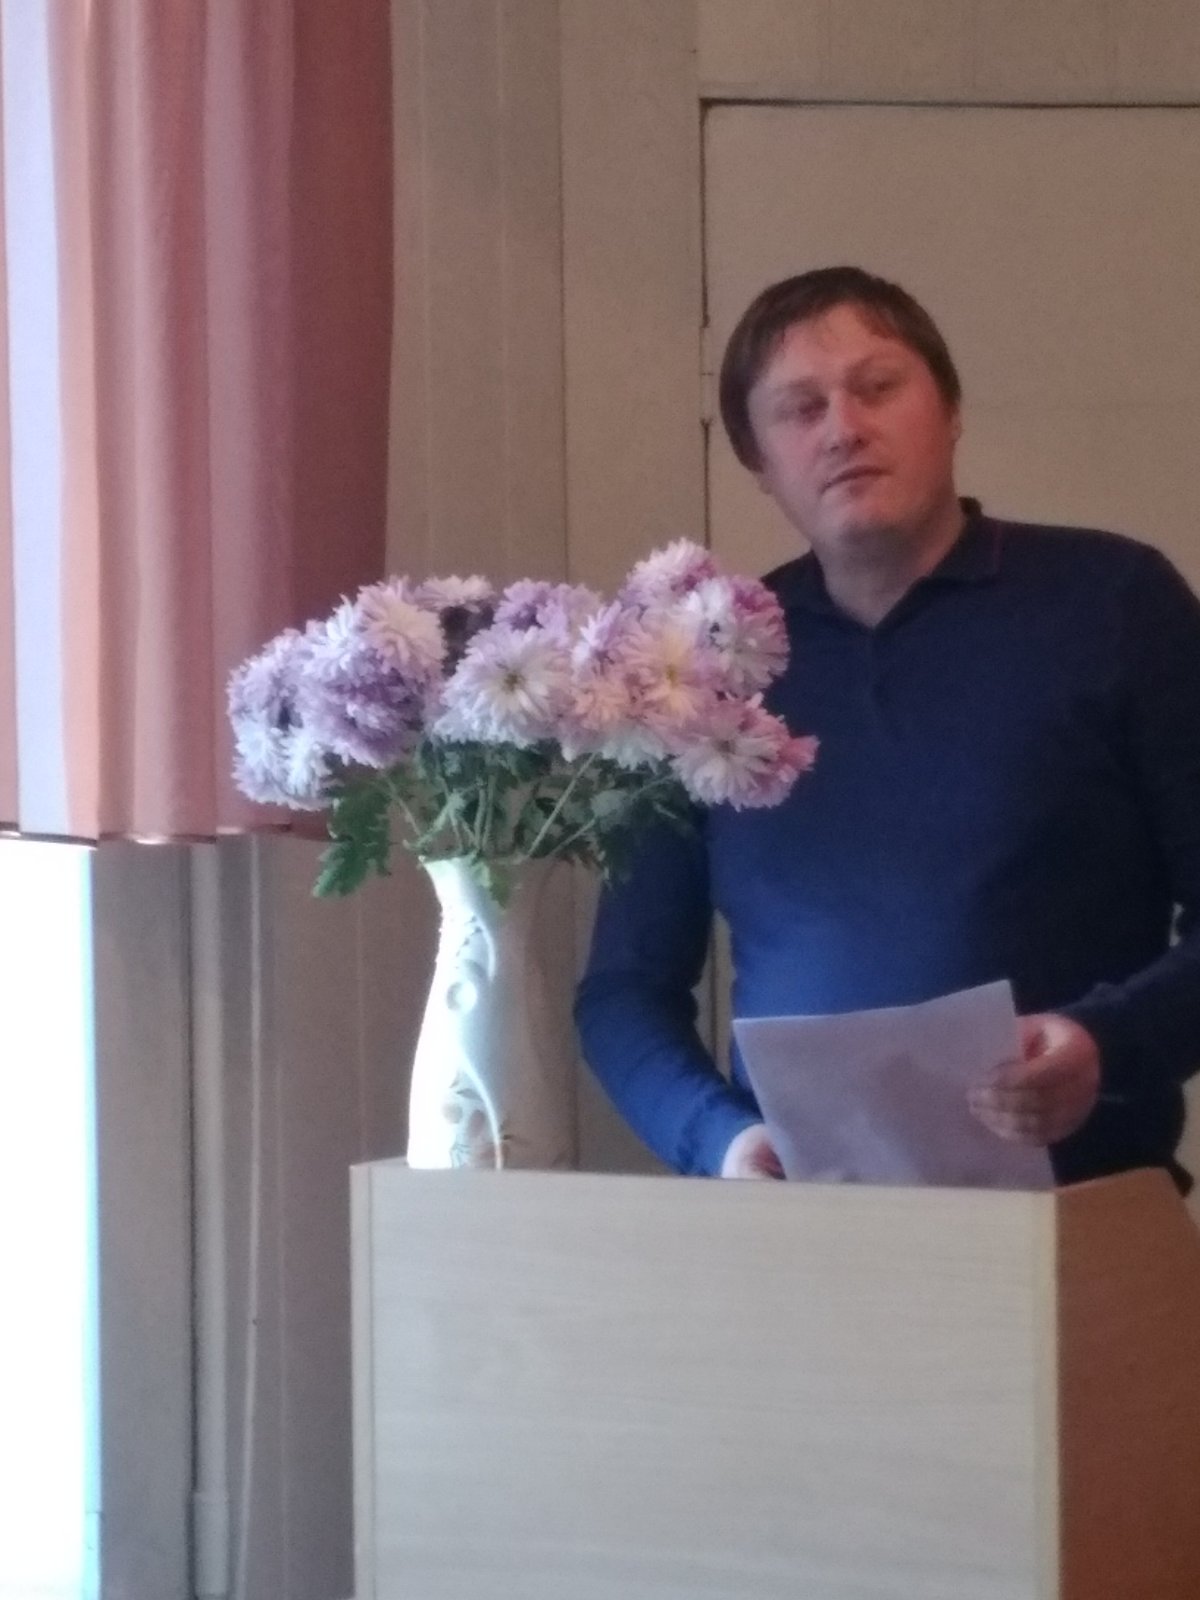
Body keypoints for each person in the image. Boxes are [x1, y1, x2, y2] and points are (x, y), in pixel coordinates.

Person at [574, 264, 1200, 1188]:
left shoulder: (1115, 604)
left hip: (1085, 1214)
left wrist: (1107, 1043)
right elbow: (623, 991)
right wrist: (720, 1140)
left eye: (877, 387)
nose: (843, 429)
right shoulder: (699, 668)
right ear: (757, 461)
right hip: (803, 1226)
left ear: (950, 410)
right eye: (800, 409)